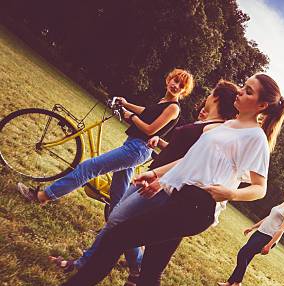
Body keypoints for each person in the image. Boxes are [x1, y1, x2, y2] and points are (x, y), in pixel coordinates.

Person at [8, 73, 284, 286]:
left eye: (249, 91)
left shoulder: (255, 139)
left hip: (197, 207)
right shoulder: (226, 125)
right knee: (153, 267)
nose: (241, 92)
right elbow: (188, 161)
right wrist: (156, 175)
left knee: (117, 236)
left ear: (262, 106)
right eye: (244, 87)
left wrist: (231, 193)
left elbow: (259, 188)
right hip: (179, 197)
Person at [49, 80, 239, 286]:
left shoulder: (214, 130)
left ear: (216, 97)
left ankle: (83, 269)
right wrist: (160, 144)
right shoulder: (208, 123)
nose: (208, 95)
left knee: (117, 222)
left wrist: (161, 180)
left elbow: (191, 163)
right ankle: (126, 270)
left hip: (161, 186)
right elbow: (184, 154)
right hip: (154, 176)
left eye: (212, 92)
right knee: (119, 223)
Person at [17, 68, 193, 209]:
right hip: (134, 145)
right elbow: (146, 112)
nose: (176, 85)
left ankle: (42, 196)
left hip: (137, 149)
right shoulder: (163, 101)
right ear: (168, 79)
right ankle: (116, 228)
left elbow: (150, 129)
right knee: (117, 196)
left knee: (89, 167)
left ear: (184, 91)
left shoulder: (173, 108)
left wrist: (130, 117)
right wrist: (125, 104)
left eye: (181, 85)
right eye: (175, 80)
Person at [217, 181, 284, 286]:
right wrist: (253, 227)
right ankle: (230, 282)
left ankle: (238, 283)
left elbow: (282, 229)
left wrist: (269, 245)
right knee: (247, 256)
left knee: (243, 253)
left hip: (268, 237)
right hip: (260, 232)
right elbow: (269, 218)